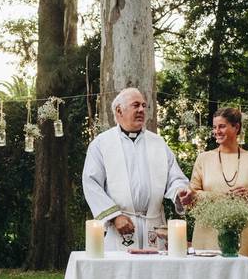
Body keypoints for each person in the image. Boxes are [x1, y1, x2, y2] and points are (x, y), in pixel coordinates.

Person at [83, 88, 194, 251]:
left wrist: (180, 192)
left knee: (155, 276)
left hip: (154, 227)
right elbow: (91, 183)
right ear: (119, 110)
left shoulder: (158, 143)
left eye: (144, 105)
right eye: (136, 105)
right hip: (121, 226)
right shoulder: (102, 144)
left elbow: (175, 177)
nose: (142, 110)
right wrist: (114, 217)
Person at [188, 107, 248, 257]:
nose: (217, 131)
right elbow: (191, 197)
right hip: (206, 237)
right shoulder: (203, 159)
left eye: (222, 126)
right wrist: (218, 196)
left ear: (236, 127)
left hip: (241, 238)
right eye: (214, 127)